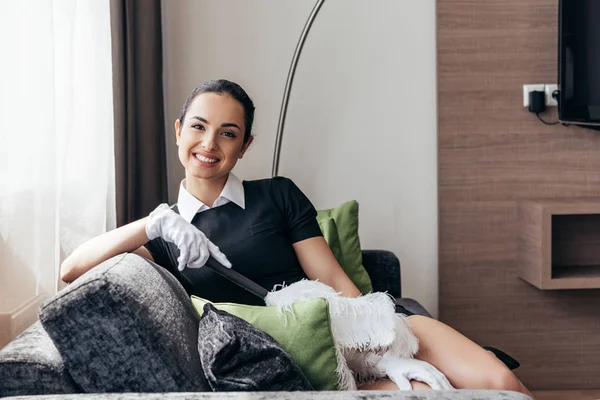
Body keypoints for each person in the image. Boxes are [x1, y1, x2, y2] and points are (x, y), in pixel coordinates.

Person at [61, 79, 533, 397]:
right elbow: (70, 271)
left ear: (244, 145)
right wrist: (153, 222)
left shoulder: (278, 195)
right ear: (179, 130)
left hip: (357, 333)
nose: (210, 145)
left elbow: (335, 281)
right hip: (302, 359)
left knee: (501, 381)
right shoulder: (164, 240)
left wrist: (384, 355)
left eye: (228, 133)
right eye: (199, 128)